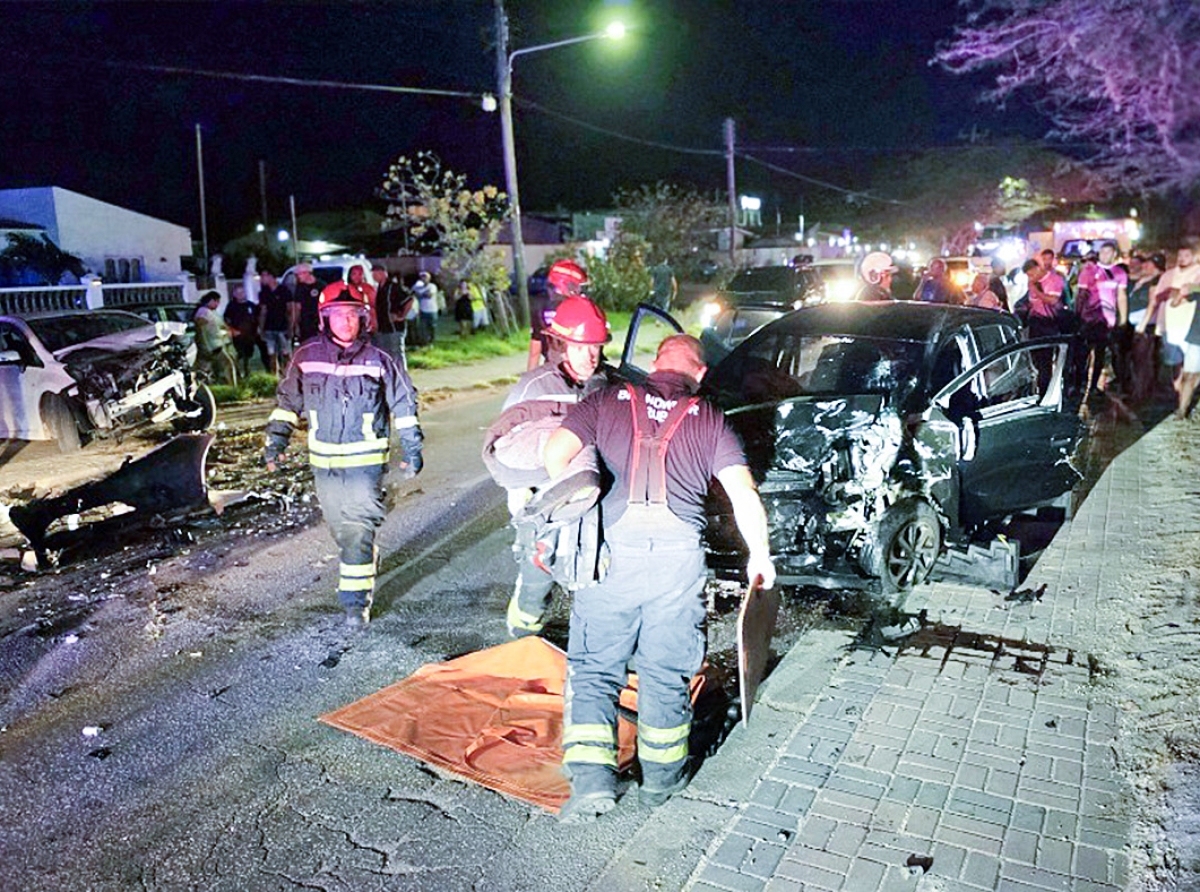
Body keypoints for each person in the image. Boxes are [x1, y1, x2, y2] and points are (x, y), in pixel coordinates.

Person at [542, 334, 776, 822]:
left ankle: (592, 783)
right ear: (701, 374)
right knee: (665, 672)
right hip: (677, 566)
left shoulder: (606, 399)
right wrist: (760, 555)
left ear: (654, 364)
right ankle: (662, 780)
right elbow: (744, 495)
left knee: (594, 669)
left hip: (612, 560)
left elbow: (556, 454)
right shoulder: (710, 419)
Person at [264, 285, 423, 627]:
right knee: (340, 529)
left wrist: (412, 448)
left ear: (363, 319)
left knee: (356, 530)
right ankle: (363, 557)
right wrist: (275, 443)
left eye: (352, 314)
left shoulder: (380, 358)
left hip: (365, 464)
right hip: (325, 464)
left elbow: (404, 404)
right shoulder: (306, 356)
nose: (346, 322)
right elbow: (287, 404)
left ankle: (355, 605)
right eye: (338, 315)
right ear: (325, 320)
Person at [489, 297, 614, 640]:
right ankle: (522, 631)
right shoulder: (535, 386)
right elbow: (508, 444)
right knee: (539, 565)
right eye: (580, 347)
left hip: (589, 491)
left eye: (595, 347)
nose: (590, 357)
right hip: (541, 493)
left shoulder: (606, 385)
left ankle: (593, 639)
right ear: (561, 345)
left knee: (594, 561)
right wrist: (525, 499)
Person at [528, 258, 588, 370]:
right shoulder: (583, 308)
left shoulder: (540, 307)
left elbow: (535, 351)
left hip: (553, 368)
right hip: (582, 368)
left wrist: (530, 377)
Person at [193, 290, 237, 386]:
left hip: (217, 343)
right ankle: (230, 387)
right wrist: (205, 345)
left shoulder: (211, 312)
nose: (217, 304)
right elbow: (202, 330)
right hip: (213, 345)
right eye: (216, 302)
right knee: (227, 365)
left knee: (211, 368)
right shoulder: (203, 312)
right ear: (211, 300)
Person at [371, 263, 411, 365]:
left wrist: (402, 316)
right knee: (386, 353)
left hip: (394, 327)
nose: (374, 277)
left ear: (383, 273)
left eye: (375, 274)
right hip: (383, 327)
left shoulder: (393, 287)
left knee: (396, 353)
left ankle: (401, 372)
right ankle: (390, 372)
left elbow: (409, 300)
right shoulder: (379, 288)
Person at [257, 269, 295, 375]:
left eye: (264, 276)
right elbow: (263, 311)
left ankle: (287, 374)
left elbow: (290, 310)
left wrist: (291, 327)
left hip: (283, 326)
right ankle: (274, 374)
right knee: (271, 353)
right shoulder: (263, 292)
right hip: (269, 327)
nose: (261, 279)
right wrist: (261, 328)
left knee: (285, 352)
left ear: (271, 277)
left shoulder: (284, 290)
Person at [224, 284, 260, 380]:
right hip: (237, 336)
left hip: (250, 336)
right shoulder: (231, 306)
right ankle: (238, 374)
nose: (241, 294)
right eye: (238, 293)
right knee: (238, 355)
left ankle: (248, 372)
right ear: (234, 294)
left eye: (242, 292)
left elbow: (257, 318)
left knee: (249, 355)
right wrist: (232, 330)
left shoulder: (251, 305)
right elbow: (227, 320)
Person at [292, 263, 324, 344]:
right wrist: (295, 324)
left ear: (307, 273)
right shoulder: (300, 287)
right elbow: (297, 307)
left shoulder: (321, 286)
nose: (297, 277)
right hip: (305, 323)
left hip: (319, 322)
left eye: (299, 274)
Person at [413, 271, 438, 345]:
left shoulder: (432, 286)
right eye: (422, 277)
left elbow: (429, 295)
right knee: (423, 327)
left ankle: (432, 341)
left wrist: (421, 294)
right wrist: (422, 294)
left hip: (432, 310)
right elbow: (413, 293)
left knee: (432, 326)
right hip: (423, 310)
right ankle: (424, 341)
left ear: (429, 278)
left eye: (425, 277)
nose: (424, 279)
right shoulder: (418, 287)